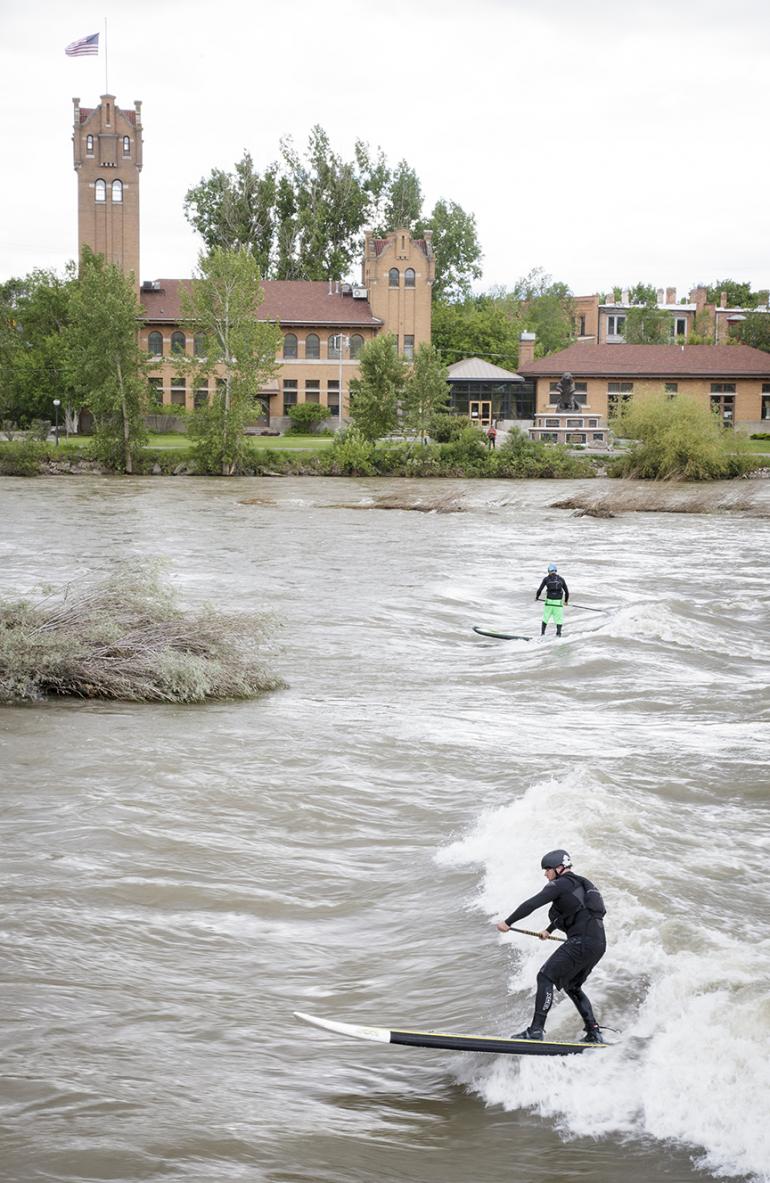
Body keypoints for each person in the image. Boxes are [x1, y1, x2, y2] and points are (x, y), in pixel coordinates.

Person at [496, 850, 607, 1043]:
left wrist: (508, 922)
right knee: (572, 986)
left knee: (545, 976)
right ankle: (594, 1032)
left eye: (547, 870)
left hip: (581, 941)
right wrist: (549, 930)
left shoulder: (560, 884)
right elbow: (574, 910)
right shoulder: (579, 884)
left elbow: (532, 904)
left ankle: (536, 1031)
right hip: (597, 944)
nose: (545, 874)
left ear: (558, 868)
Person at [536, 562, 568, 637]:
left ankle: (542, 634)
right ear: (555, 571)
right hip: (558, 603)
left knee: (545, 618)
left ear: (549, 571)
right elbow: (567, 592)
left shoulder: (546, 579)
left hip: (549, 602)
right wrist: (566, 601)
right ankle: (558, 634)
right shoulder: (561, 579)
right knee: (559, 619)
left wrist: (537, 597)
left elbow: (539, 590)